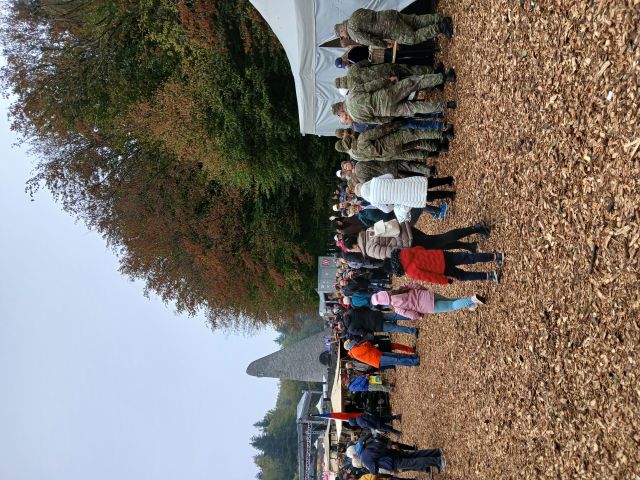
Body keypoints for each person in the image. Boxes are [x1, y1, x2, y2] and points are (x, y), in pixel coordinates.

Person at [333, 77, 456, 125]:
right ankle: (444, 77)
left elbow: (378, 121)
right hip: (385, 96)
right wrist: (387, 81)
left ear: (341, 112)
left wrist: (391, 117)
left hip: (387, 111)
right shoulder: (352, 94)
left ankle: (447, 105)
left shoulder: (357, 119)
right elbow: (371, 85)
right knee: (414, 83)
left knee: (417, 108)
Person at [354, 174, 455, 223]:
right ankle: (448, 179)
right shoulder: (374, 181)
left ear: (362, 195)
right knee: (426, 184)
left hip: (402, 197)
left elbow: (387, 210)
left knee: (425, 196)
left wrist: (392, 202)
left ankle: (450, 194)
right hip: (403, 183)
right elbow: (390, 175)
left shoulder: (373, 200)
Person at [335, 9, 453, 47]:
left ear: (341, 30)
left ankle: (440, 27)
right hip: (388, 15)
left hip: (389, 28)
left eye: (341, 36)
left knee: (412, 38)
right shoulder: (354, 14)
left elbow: (369, 40)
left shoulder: (352, 31)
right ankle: (440, 18)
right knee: (415, 21)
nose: (343, 37)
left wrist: (384, 44)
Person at [384, 247, 505, 284]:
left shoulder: (411, 272)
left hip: (442, 268)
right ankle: (495, 256)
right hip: (441, 254)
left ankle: (489, 275)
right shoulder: (405, 252)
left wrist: (445, 280)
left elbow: (429, 277)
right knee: (468, 258)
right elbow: (420, 248)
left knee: (462, 276)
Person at [338, 124, 453, 159]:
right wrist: (394, 126)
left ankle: (441, 147)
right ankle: (444, 134)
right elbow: (380, 131)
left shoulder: (357, 155)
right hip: (392, 140)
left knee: (417, 143)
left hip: (391, 152)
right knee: (416, 133)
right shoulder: (361, 139)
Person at [371, 287, 486, 318]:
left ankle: (472, 299)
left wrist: (419, 316)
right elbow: (414, 285)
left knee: (451, 306)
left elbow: (411, 314)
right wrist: (424, 290)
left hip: (427, 306)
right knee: (448, 300)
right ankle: (470, 304)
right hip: (428, 295)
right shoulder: (398, 289)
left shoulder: (397, 308)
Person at [358, 437, 447, 474]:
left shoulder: (364, 458)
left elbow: (374, 471)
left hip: (392, 462)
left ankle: (439, 461)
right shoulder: (367, 444)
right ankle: (436, 452)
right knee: (415, 454)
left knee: (414, 462)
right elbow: (382, 446)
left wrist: (369, 466)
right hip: (394, 452)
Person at [338, 159, 435, 183]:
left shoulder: (360, 177)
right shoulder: (360, 166)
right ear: (348, 170)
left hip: (388, 171)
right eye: (346, 167)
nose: (348, 166)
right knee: (410, 168)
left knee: (410, 174)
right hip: (388, 169)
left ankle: (428, 174)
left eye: (346, 165)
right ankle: (428, 173)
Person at [340, 307, 417, 337]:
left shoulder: (351, 330)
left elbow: (363, 332)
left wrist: (366, 332)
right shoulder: (350, 312)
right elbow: (363, 308)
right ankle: (412, 316)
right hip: (374, 315)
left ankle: (413, 330)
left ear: (343, 327)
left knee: (395, 328)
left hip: (375, 325)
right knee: (394, 316)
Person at [344, 338, 419, 368]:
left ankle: (413, 358)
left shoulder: (355, 349)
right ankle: (414, 362)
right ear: (350, 345)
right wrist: (366, 344)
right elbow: (367, 347)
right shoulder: (354, 351)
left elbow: (367, 345)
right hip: (377, 359)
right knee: (396, 360)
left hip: (377, 355)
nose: (353, 341)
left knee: (396, 356)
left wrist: (366, 344)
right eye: (351, 341)